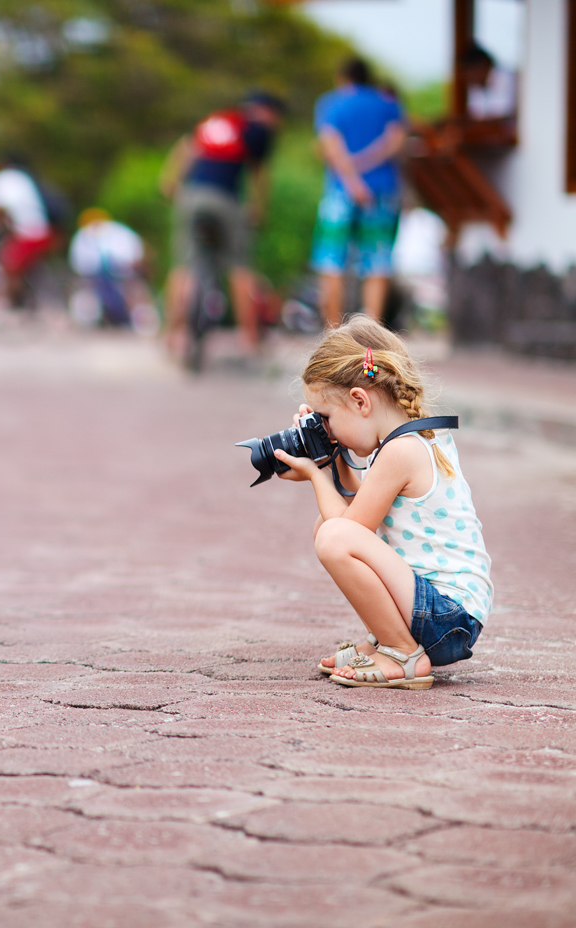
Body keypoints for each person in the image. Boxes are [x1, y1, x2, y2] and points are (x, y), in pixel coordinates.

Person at [272, 317, 492, 689]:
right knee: (328, 529)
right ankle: (388, 640)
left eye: (325, 419)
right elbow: (356, 519)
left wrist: (315, 474)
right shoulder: (411, 438)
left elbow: (350, 530)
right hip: (440, 612)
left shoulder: (401, 451)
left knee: (332, 535)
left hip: (447, 618)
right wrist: (331, 457)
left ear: (359, 400)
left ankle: (402, 652)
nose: (325, 429)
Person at [160, 91, 287, 357]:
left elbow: (186, 148)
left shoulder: (216, 120)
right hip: (225, 199)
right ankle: (250, 339)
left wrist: (170, 182)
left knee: (184, 265)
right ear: (267, 111)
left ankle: (171, 336)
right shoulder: (257, 130)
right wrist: (257, 208)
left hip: (192, 196)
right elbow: (258, 173)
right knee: (240, 266)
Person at [310, 58, 409, 327]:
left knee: (331, 261)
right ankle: (371, 336)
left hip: (340, 193)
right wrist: (367, 161)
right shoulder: (388, 104)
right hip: (381, 192)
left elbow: (330, 146)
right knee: (377, 264)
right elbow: (395, 142)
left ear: (343, 78)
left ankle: (334, 336)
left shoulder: (331, 103)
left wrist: (352, 180)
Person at [0, 153, 53, 310]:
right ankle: (26, 303)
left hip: (28, 233)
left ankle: (13, 306)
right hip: (42, 231)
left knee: (8, 266)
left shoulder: (4, 179)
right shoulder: (24, 177)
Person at [68, 207, 147, 328]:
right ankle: (115, 314)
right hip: (99, 276)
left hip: (118, 273)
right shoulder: (84, 237)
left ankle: (117, 313)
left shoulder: (119, 234)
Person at [460, 43, 517, 122]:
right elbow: (474, 115)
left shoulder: (507, 78)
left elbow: (508, 115)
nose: (466, 77)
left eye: (468, 71)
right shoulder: (475, 86)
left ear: (483, 65)